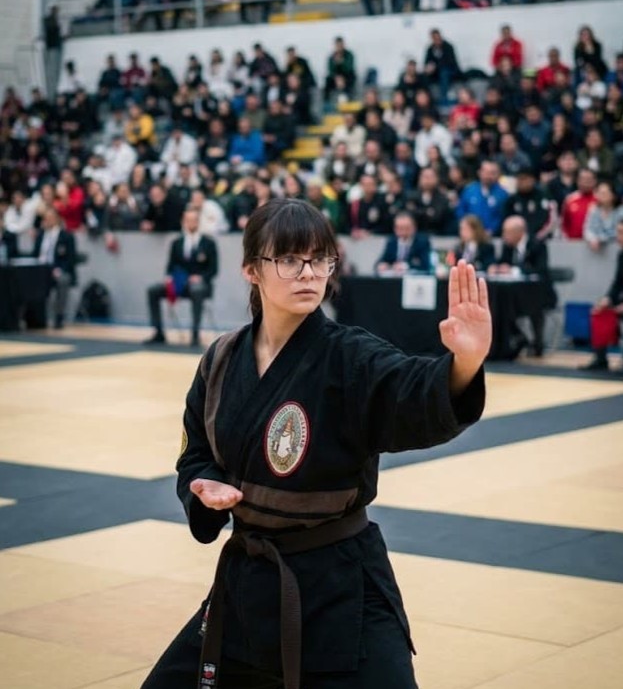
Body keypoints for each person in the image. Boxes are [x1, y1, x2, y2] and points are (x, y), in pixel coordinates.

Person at [140, 198, 490, 689]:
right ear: (251, 270)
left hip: (341, 589)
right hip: (249, 582)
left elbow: (410, 390)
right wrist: (206, 485)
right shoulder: (220, 360)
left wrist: (464, 365)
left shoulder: (350, 357)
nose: (307, 272)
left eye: (319, 258)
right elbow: (195, 450)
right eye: (288, 259)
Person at [145, 207, 218, 347]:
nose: (191, 223)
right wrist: (169, 277)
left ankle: (195, 334)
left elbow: (213, 270)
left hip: (200, 285)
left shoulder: (209, 243)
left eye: (194, 220)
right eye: (188, 220)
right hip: (179, 283)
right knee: (153, 290)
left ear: (198, 222)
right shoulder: (176, 243)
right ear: (183, 222)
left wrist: (200, 277)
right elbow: (170, 266)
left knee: (197, 290)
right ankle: (158, 332)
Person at [488, 215, 555, 356]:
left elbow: (540, 269)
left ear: (519, 232)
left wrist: (513, 269)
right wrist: (497, 267)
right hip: (514, 293)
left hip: (538, 292)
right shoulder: (507, 246)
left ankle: (538, 343)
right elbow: (502, 263)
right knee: (499, 302)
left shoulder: (537, 244)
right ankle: (517, 338)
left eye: (507, 232)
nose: (504, 235)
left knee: (534, 304)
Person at [583, 217, 623, 376]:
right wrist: (607, 299)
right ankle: (600, 358)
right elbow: (617, 282)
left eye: (621, 233)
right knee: (599, 309)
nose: (618, 237)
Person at [32, 207, 77, 329]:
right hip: (40, 268)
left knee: (63, 280)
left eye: (51, 218)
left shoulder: (66, 236)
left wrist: (58, 269)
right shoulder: (40, 235)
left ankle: (59, 316)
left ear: (57, 219)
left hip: (57, 269)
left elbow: (70, 259)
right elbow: (35, 254)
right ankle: (34, 317)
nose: (48, 221)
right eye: (46, 218)